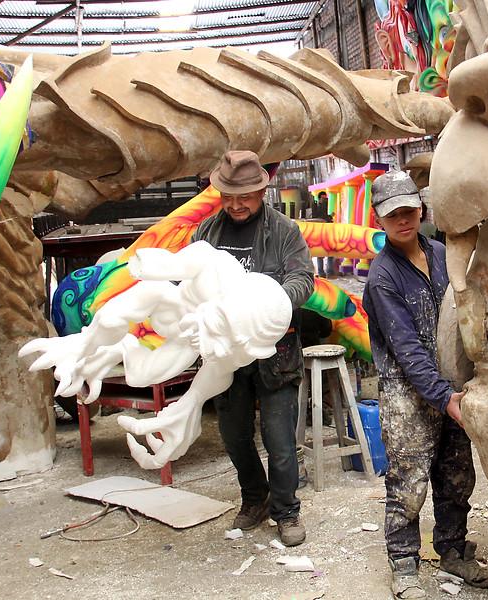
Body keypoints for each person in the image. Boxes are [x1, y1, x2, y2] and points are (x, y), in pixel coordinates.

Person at [362, 171, 488, 599]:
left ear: (421, 209)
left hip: (453, 385)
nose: (403, 220)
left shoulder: (442, 254)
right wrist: (444, 397)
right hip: (408, 391)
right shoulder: (383, 277)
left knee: (456, 476)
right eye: (393, 215)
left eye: (409, 211)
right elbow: (407, 351)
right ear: (379, 219)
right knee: (409, 481)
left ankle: (453, 550)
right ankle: (404, 563)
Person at [193, 150, 314, 547]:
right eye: (228, 196)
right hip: (226, 356)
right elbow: (188, 283)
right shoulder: (206, 234)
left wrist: (269, 304)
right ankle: (254, 497)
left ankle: (286, 510)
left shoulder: (284, 231)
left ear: (262, 191)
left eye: (244, 196)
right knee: (234, 435)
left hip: (274, 353)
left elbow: (303, 279)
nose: (236, 204)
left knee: (280, 441)